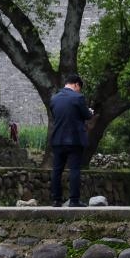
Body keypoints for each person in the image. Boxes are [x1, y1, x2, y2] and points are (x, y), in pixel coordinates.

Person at [49, 73, 93, 207]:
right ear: (76, 84)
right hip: (74, 140)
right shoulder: (78, 97)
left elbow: (57, 116)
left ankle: (56, 200)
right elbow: (86, 115)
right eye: (79, 87)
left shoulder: (54, 99)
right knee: (74, 169)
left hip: (57, 139)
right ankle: (74, 200)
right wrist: (90, 111)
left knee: (57, 170)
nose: (79, 90)